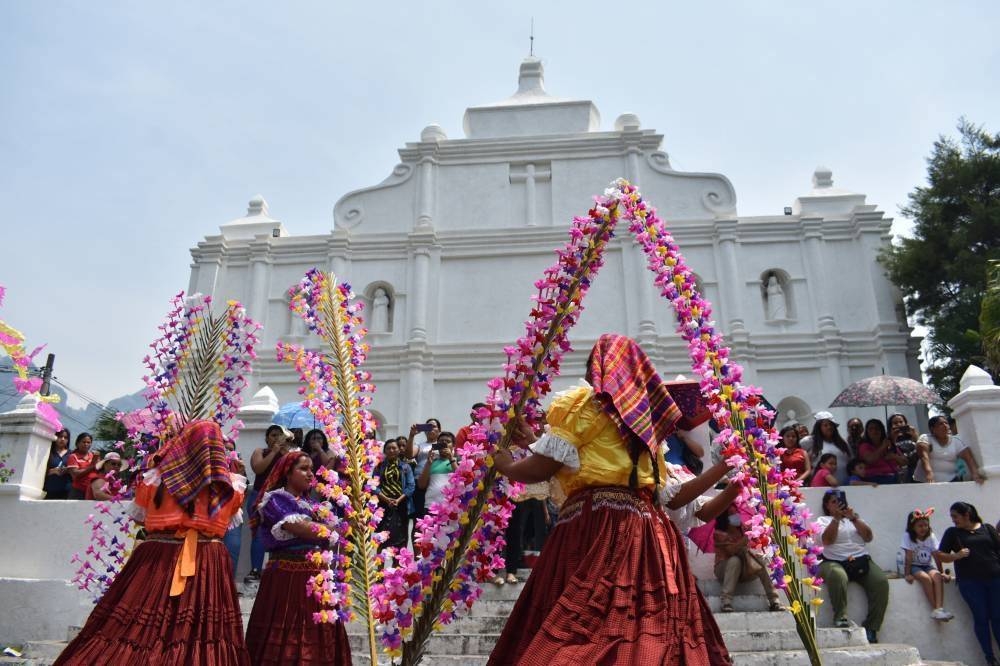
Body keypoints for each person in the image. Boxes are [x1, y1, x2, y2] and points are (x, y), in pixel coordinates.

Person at [488, 334, 731, 665]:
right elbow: (653, 486)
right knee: (643, 621)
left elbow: (544, 467)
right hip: (648, 531)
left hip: (596, 526)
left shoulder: (583, 405)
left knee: (583, 622)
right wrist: (535, 441)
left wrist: (506, 465)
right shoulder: (647, 422)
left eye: (592, 364)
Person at [53, 420, 249, 665]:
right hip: (206, 560)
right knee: (199, 633)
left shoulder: (156, 477)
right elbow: (229, 517)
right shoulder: (229, 485)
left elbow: (142, 518)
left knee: (134, 627)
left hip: (156, 559)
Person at [244, 451, 352, 665]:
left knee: (318, 630)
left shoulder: (314, 506)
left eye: (311, 469)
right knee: (289, 627)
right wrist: (333, 528)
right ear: (287, 473)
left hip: (318, 578)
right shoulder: (275, 500)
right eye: (303, 469)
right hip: (287, 579)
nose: (310, 474)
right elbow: (300, 528)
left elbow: (338, 531)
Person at [815, 489, 889, 644]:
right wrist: (835, 520)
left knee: (880, 581)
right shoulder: (822, 520)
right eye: (833, 502)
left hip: (860, 559)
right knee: (838, 575)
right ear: (827, 505)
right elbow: (827, 541)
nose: (837, 505)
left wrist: (854, 519)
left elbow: (868, 537)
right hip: (833, 560)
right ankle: (840, 617)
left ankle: (872, 627)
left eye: (840, 501)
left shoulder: (853, 520)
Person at [936, 502, 1000, 666]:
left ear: (966, 515)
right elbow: (941, 555)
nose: (953, 520)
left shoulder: (987, 529)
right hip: (970, 583)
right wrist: (956, 556)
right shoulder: (953, 533)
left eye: (955, 516)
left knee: (998, 618)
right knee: (981, 618)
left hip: (995, 579)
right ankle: (989, 657)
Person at [714, 504, 782, 612]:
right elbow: (731, 551)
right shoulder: (719, 533)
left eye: (736, 513)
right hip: (724, 568)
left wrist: (760, 533)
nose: (736, 516)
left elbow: (757, 543)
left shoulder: (744, 529)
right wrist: (746, 538)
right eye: (732, 514)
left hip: (747, 567)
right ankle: (726, 601)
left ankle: (774, 601)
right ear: (724, 517)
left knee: (760, 559)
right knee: (734, 561)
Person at [245, 425, 291, 584]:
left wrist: (285, 455)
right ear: (266, 438)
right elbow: (258, 469)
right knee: (258, 534)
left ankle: (275, 569)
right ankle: (256, 569)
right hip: (259, 497)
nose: (277, 438)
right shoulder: (260, 451)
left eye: (280, 435)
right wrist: (273, 452)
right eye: (273, 435)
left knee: (279, 533)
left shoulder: (287, 454)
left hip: (279, 498)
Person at [900, 509, 953, 621]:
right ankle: (936, 609)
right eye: (920, 526)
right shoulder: (907, 536)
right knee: (925, 578)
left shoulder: (931, 536)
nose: (923, 528)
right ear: (912, 527)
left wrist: (942, 572)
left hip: (927, 565)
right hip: (914, 566)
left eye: (926, 525)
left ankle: (939, 609)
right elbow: (908, 556)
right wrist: (907, 574)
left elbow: (936, 555)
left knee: (937, 576)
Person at [914, 415, 985, 484]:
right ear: (932, 429)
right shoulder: (925, 438)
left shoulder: (956, 441)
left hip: (950, 480)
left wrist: (975, 474)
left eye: (946, 423)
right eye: (941, 424)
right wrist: (929, 473)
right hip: (925, 481)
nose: (945, 426)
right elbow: (924, 457)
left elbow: (969, 459)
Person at [373, 439, 415, 550]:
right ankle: (380, 564)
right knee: (382, 539)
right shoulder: (379, 467)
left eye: (394, 448)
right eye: (388, 448)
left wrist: (398, 500)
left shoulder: (406, 467)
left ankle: (398, 566)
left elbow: (411, 486)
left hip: (401, 505)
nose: (391, 450)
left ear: (398, 450)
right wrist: (387, 500)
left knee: (400, 540)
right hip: (383, 505)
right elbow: (374, 486)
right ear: (385, 451)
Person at [803, 412, 851, 485]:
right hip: (823, 487)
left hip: (844, 484)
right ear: (819, 427)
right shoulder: (809, 441)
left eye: (831, 425)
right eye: (825, 425)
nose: (829, 427)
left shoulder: (842, 443)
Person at [857, 419, 906, 485]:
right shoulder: (864, 446)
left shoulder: (889, 444)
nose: (874, 431)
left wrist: (893, 456)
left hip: (894, 477)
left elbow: (904, 462)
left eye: (877, 428)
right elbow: (870, 459)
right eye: (871, 429)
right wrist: (883, 447)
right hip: (874, 479)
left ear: (881, 430)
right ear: (867, 432)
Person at [886, 413, 920, 482]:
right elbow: (890, 451)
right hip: (900, 469)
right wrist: (893, 437)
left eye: (901, 422)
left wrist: (915, 435)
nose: (899, 424)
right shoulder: (889, 437)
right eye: (895, 423)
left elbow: (919, 448)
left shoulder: (911, 434)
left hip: (914, 468)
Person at [66, 432, 98, 500]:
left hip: (92, 491)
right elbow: (75, 474)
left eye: (88, 442)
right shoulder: (73, 457)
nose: (86, 444)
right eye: (83, 442)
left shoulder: (93, 456)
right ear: (77, 443)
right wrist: (92, 466)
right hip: (78, 492)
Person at [43, 428, 73, 500]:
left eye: (65, 437)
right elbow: (39, 472)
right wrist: (52, 471)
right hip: (50, 490)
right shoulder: (48, 452)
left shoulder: (72, 454)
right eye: (60, 436)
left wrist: (67, 470)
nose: (62, 439)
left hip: (66, 490)